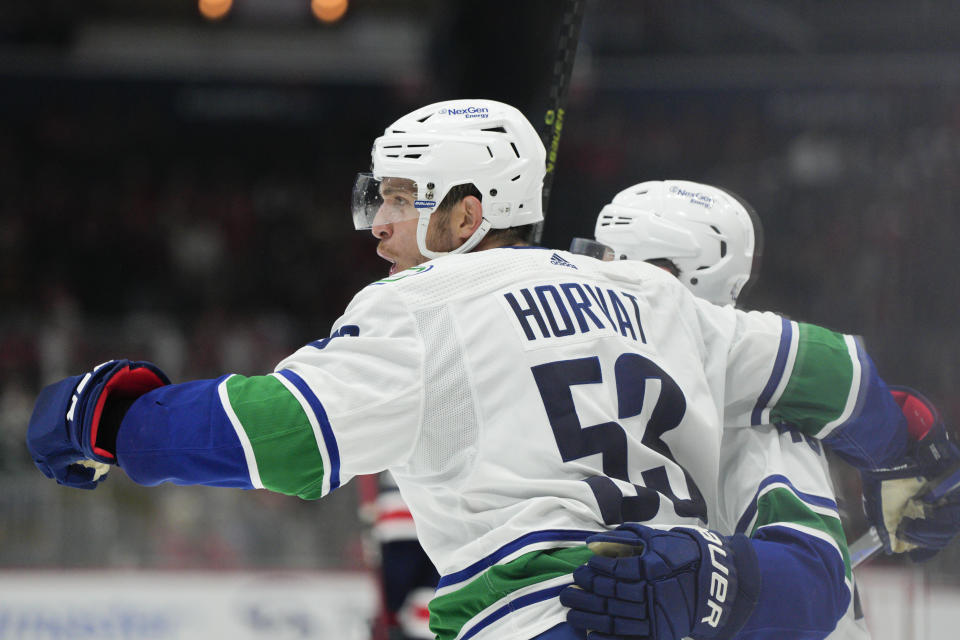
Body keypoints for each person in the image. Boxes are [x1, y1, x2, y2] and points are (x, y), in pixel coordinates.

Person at [24, 99, 952, 640]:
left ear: (466, 216)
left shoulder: (421, 309)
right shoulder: (660, 303)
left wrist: (115, 418)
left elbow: (284, 436)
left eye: (396, 198)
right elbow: (826, 371)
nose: (376, 223)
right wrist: (914, 438)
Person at [571, 179, 872, 639]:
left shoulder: (753, 423)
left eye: (612, 264)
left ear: (675, 281)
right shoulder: (604, 397)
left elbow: (815, 581)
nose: (589, 281)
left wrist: (699, 582)